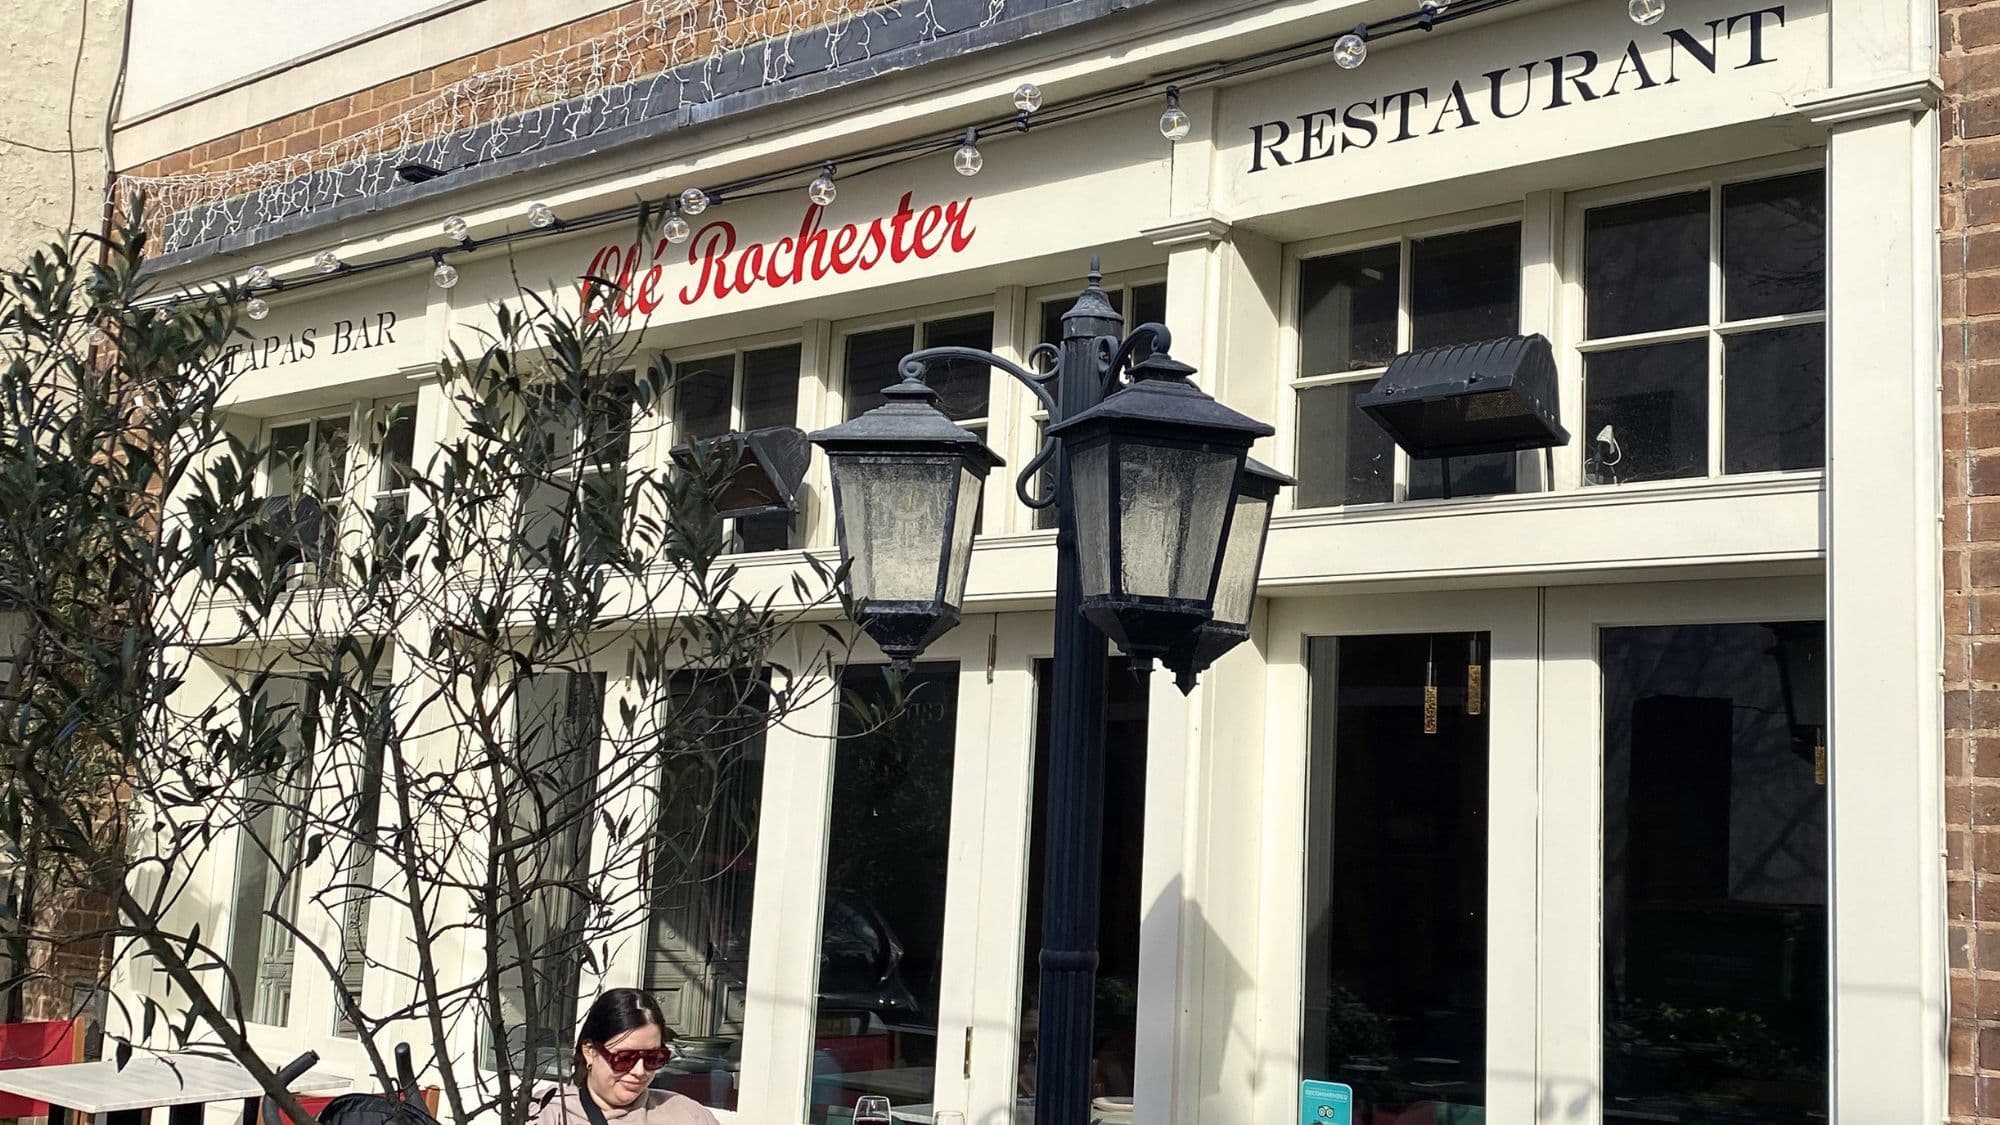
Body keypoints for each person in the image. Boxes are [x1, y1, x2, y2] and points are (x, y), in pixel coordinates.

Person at [534, 988, 720, 1125]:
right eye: (624, 1058)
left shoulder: (688, 1116)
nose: (640, 1071)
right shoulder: (550, 1113)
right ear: (590, 1051)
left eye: (653, 1058)